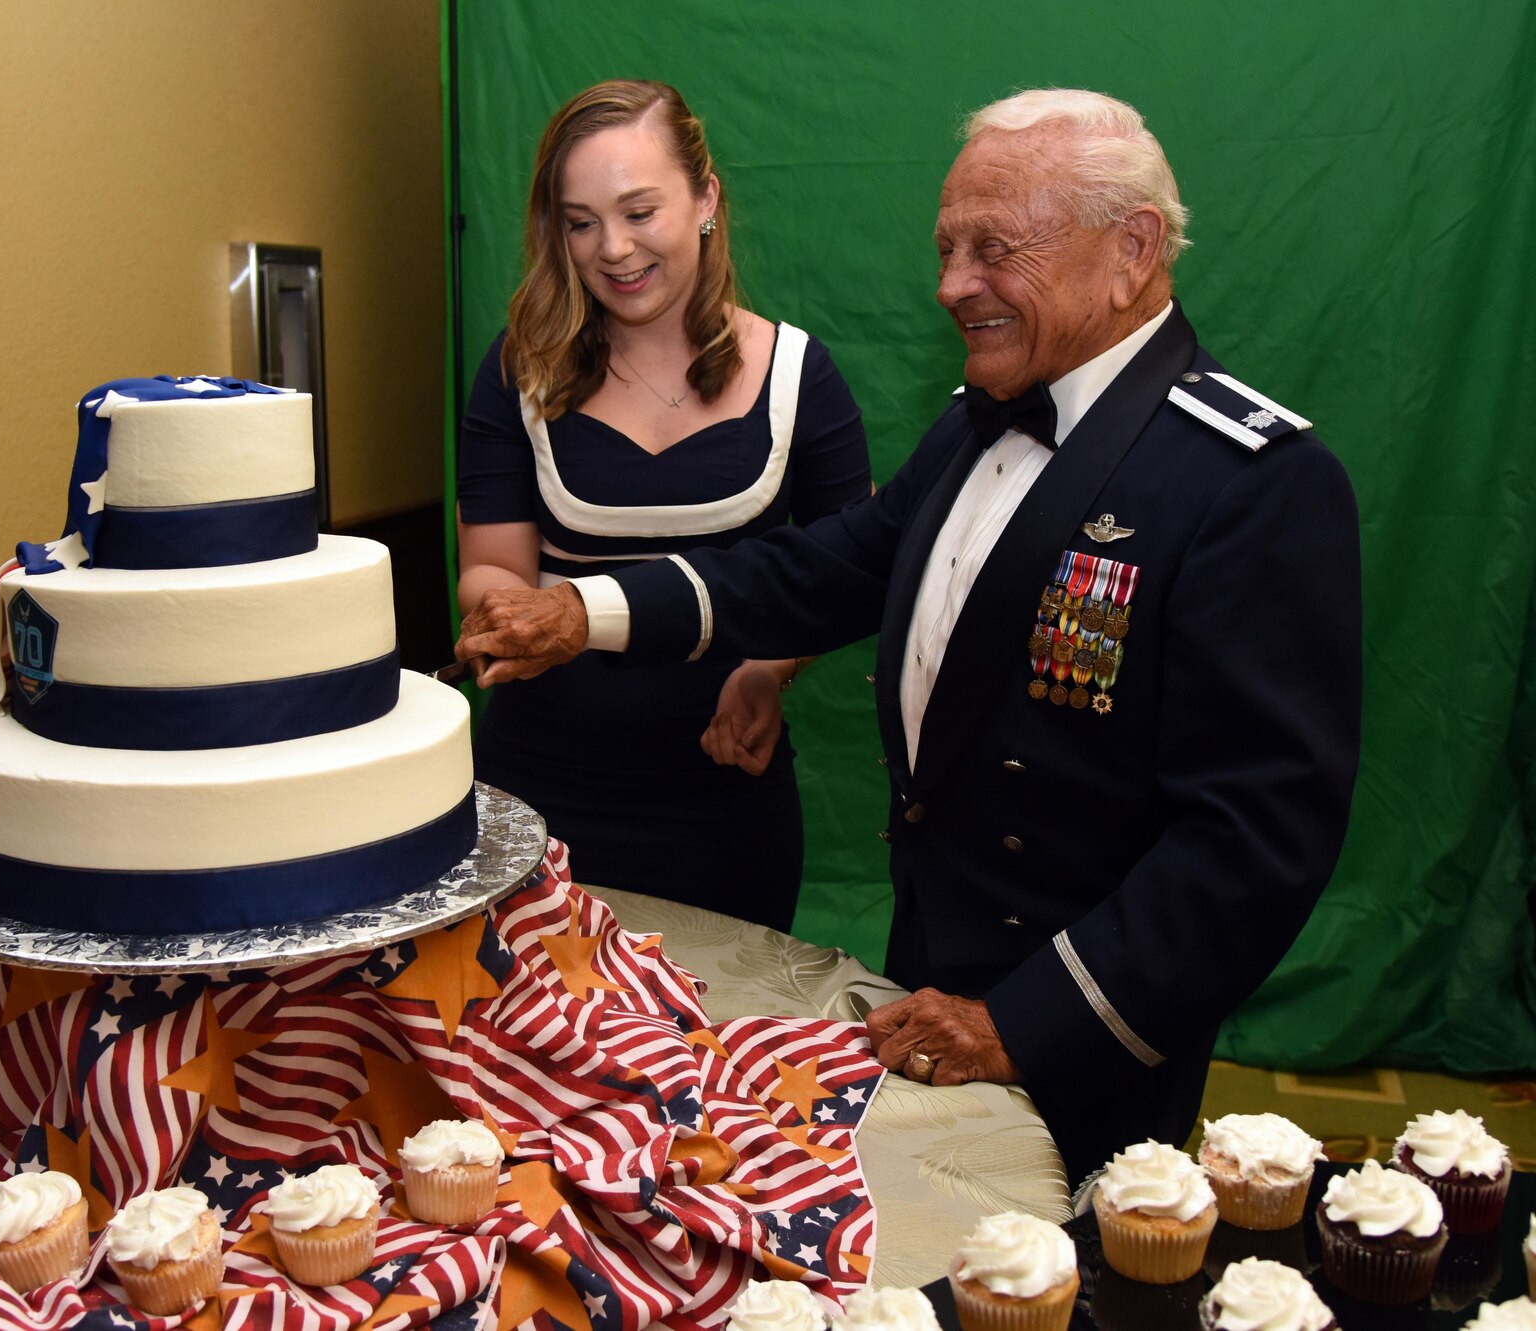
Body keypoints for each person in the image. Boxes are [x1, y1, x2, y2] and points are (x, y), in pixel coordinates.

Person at [453, 89, 1361, 1183]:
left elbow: (1252, 845)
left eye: (992, 249)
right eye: (944, 249)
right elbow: (817, 569)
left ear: (1130, 249)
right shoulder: (974, 421)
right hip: (930, 975)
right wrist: (576, 611)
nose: (948, 286)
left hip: (1075, 1022)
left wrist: (1019, 1023)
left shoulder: (1253, 483)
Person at [455, 79, 872, 931]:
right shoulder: (517, 369)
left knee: (711, 1049)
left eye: (640, 211)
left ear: (706, 198)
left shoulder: (800, 376)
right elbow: (491, 566)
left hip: (722, 799)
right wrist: (508, 614)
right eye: (580, 222)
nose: (613, 248)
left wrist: (768, 667)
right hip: (535, 792)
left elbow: (845, 574)